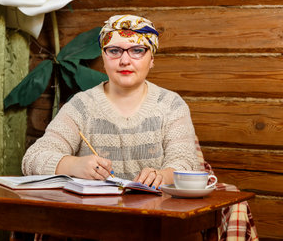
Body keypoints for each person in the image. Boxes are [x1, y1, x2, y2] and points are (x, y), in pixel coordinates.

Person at [22, 14, 199, 189]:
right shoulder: (81, 106)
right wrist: (73, 165)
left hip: (157, 213)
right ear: (104, 58)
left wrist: (161, 176)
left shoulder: (171, 105)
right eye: (114, 51)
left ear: (151, 59)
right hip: (95, 214)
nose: (124, 61)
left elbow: (186, 164)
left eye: (137, 50)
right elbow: (32, 159)